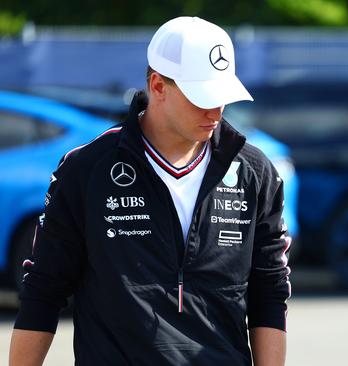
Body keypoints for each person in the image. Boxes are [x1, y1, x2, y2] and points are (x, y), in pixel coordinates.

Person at [10, 16, 290, 366]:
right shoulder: (86, 170)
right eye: (202, 96)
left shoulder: (255, 172)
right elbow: (43, 292)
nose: (215, 110)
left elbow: (270, 293)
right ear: (157, 86)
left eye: (223, 95)